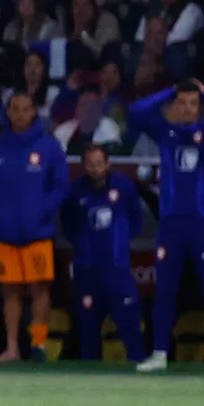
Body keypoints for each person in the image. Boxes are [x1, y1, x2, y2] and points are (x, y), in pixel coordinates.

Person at [126, 77, 204, 372]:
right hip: (171, 226)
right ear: (174, 105)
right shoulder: (165, 131)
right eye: (182, 103)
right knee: (165, 289)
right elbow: (136, 112)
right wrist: (168, 91)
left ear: (200, 107)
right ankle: (159, 353)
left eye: (193, 103)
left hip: (203, 224)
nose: (187, 108)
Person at [0, 90, 69, 362]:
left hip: (37, 232)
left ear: (34, 113)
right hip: (7, 233)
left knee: (39, 289)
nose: (20, 114)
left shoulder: (48, 146)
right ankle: (11, 348)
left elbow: (61, 186)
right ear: (8, 113)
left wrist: (43, 211)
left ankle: (39, 345)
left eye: (25, 109)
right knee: (10, 291)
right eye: (15, 109)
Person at [64, 144, 147, 364]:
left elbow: (136, 220)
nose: (95, 169)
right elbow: (68, 227)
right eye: (90, 165)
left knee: (130, 326)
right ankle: (88, 378)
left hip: (117, 270)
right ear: (84, 166)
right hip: (87, 272)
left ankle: (139, 367)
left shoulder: (124, 187)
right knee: (88, 330)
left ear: (108, 164)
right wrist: (85, 247)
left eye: (99, 164)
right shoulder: (75, 192)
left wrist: (118, 244)